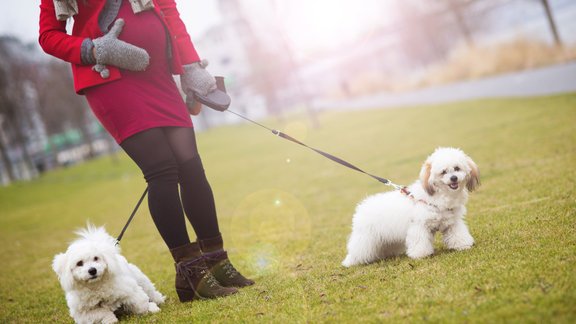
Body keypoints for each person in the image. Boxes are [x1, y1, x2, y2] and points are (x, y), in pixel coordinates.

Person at [39, 0, 254, 302]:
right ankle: (191, 274)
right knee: (162, 170)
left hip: (157, 74)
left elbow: (168, 11)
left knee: (191, 168)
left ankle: (218, 262)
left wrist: (190, 66)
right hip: (109, 77)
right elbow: (49, 35)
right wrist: (94, 49)